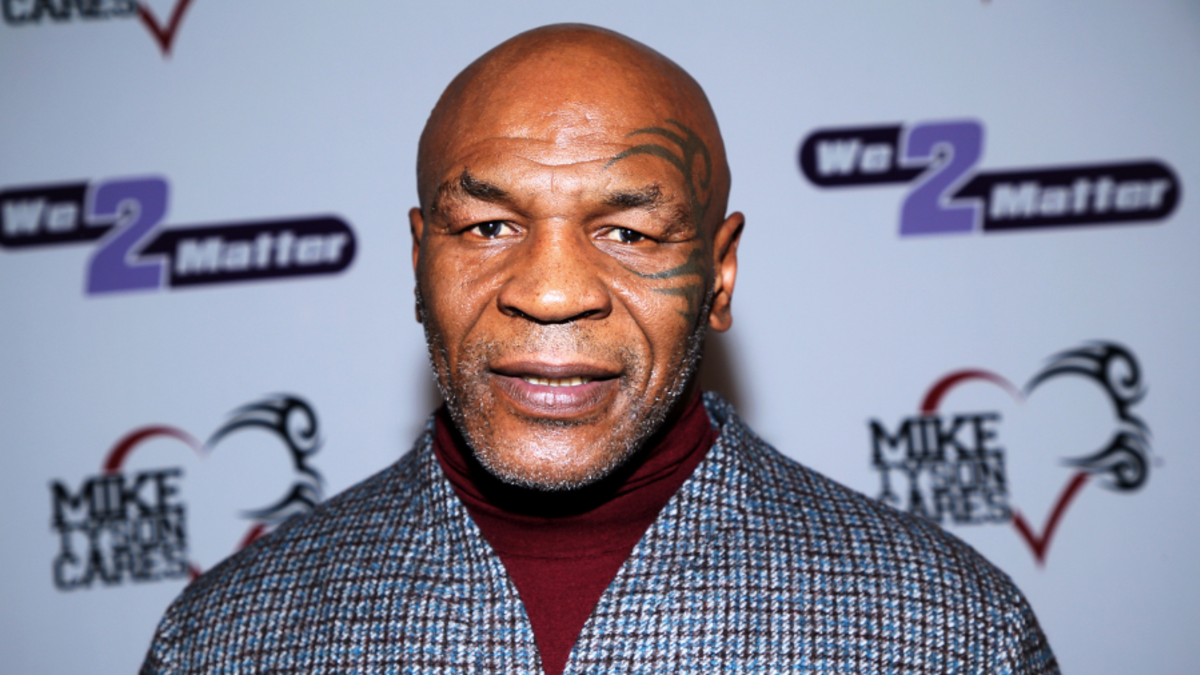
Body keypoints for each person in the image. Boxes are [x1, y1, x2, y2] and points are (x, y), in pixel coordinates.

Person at [140, 24, 1059, 674]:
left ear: (720, 274)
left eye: (628, 233)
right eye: (489, 226)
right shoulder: (222, 641)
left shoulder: (953, 633)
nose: (551, 293)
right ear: (419, 261)